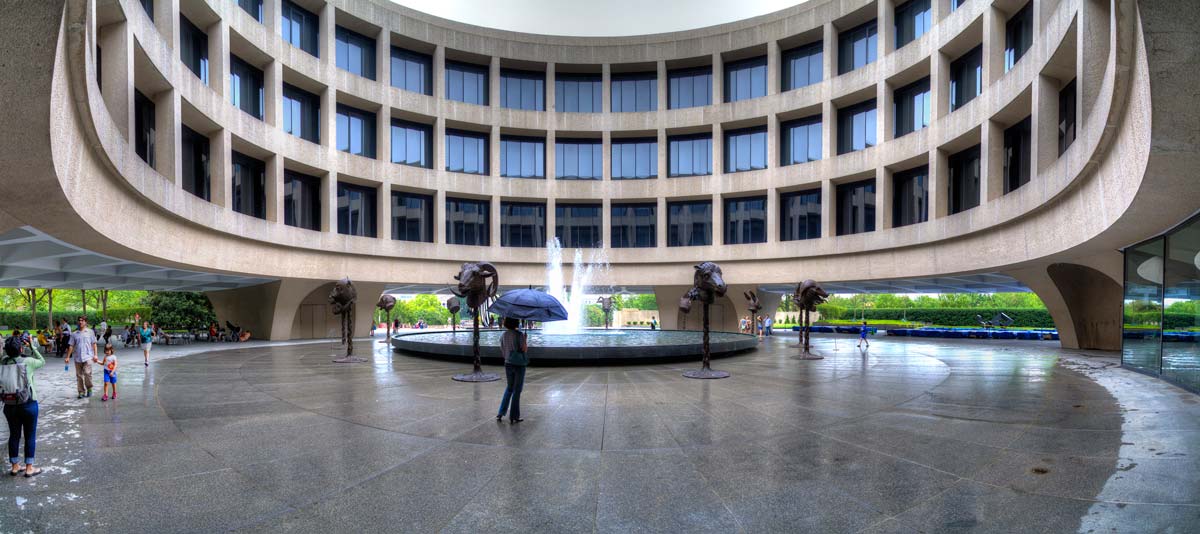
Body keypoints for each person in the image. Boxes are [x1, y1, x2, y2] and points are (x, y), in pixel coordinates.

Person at [2, 332, 44, 477]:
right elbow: (42, 361)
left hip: (9, 404)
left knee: (14, 435)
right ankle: (29, 468)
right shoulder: (28, 362)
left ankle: (14, 466)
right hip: (28, 404)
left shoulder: (3, 362)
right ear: (21, 349)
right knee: (29, 435)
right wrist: (32, 345)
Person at [496, 317, 528, 424]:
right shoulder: (519, 335)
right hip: (518, 364)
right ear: (516, 322)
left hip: (507, 363)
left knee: (509, 388)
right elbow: (523, 349)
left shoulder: (503, 335)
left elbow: (502, 349)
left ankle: (501, 413)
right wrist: (525, 340)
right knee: (517, 390)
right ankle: (514, 416)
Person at [64, 316, 99, 399]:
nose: (80, 322)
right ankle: (81, 392)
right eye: (79, 320)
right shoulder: (74, 334)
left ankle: (89, 388)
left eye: (82, 321)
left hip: (88, 357)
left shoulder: (90, 332)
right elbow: (71, 346)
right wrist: (68, 357)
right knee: (79, 376)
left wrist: (95, 355)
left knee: (87, 373)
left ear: (85, 322)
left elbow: (94, 344)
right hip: (78, 358)